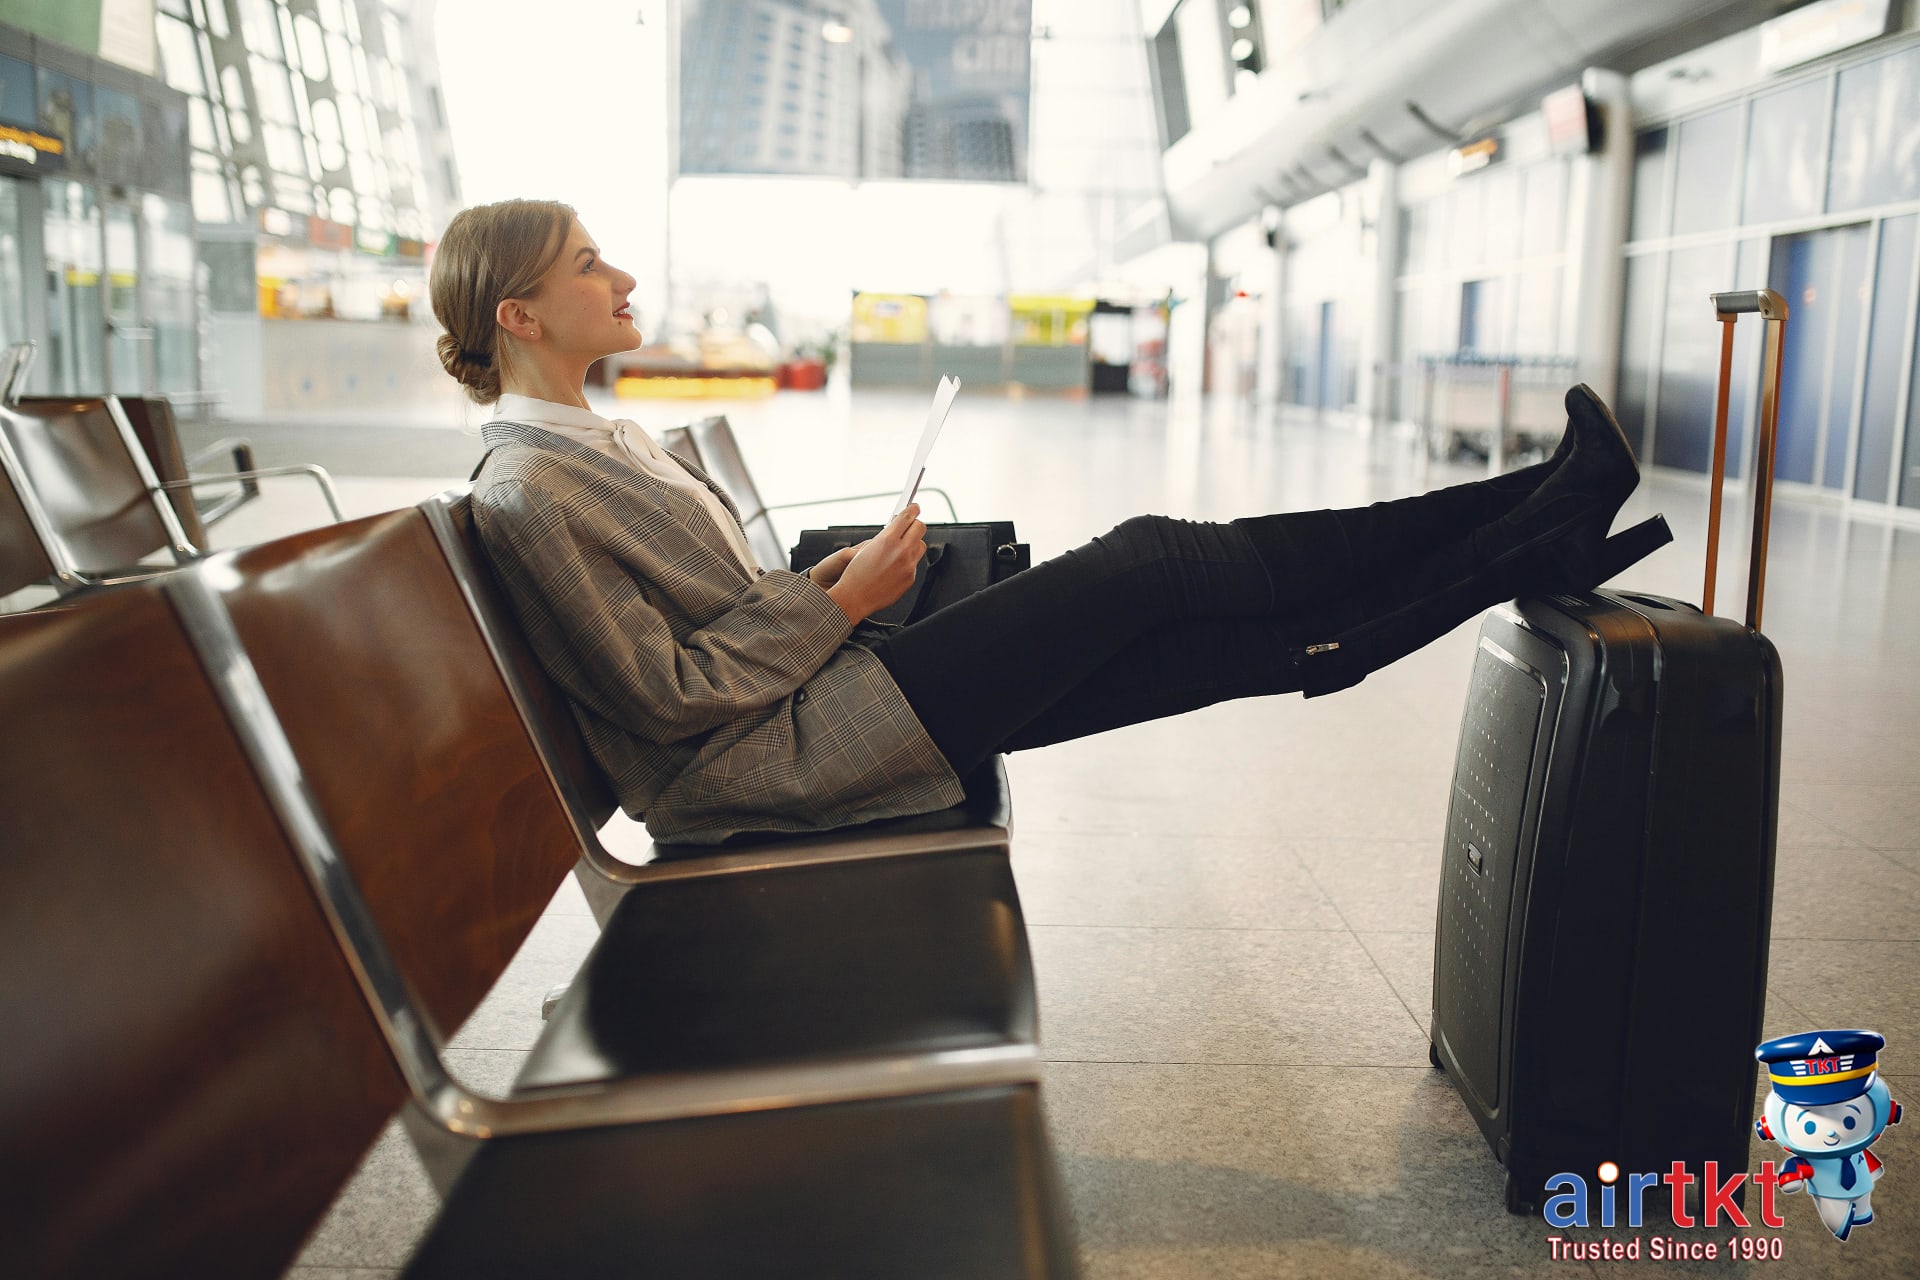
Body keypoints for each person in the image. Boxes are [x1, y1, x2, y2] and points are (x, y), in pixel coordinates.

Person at [430, 199, 1669, 845]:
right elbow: (663, 697)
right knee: (1153, 562)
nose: (623, 280)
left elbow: (715, 623)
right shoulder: (530, 492)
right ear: (520, 317)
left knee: (1190, 642)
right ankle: (1535, 509)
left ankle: (1536, 518)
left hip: (818, 696)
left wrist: (844, 583)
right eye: (589, 266)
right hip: (774, 761)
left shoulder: (597, 439)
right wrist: (841, 596)